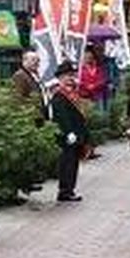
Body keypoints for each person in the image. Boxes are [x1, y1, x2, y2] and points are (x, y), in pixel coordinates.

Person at [48, 62, 88, 203]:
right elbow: (61, 116)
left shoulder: (71, 93)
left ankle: (70, 189)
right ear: (60, 77)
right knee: (67, 163)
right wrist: (68, 132)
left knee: (73, 163)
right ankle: (65, 191)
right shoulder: (59, 95)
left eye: (72, 75)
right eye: (67, 75)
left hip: (76, 133)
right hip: (67, 135)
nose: (71, 78)